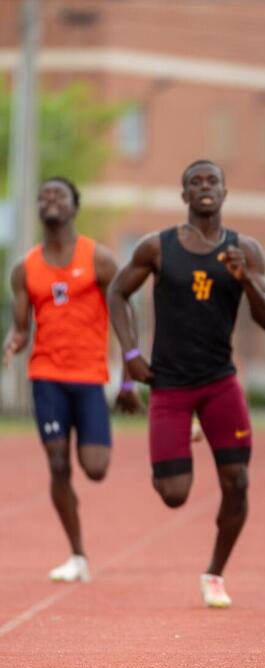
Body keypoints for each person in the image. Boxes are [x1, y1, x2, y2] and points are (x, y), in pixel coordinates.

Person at [107, 160, 265, 608]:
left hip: (220, 383)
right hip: (170, 386)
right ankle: (185, 430)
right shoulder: (157, 248)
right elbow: (117, 293)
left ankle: (215, 574)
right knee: (173, 495)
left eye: (212, 181)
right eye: (195, 183)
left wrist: (245, 279)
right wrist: (128, 356)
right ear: (184, 195)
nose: (204, 188)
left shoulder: (246, 249)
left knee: (237, 481)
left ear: (224, 191)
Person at [3, 177, 140, 582]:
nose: (50, 200)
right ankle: (78, 554)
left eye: (58, 194)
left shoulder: (98, 258)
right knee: (58, 462)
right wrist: (13, 341)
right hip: (46, 376)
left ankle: (90, 439)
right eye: (43, 194)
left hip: (90, 376)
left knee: (95, 468)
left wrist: (130, 374)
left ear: (74, 206)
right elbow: (22, 327)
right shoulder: (24, 268)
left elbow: (124, 312)